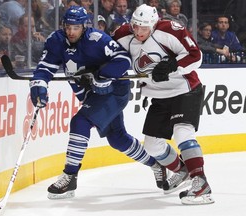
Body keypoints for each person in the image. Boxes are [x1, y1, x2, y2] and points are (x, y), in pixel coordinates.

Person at [29, 5, 166, 199]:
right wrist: (39, 85)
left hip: (113, 91)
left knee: (80, 122)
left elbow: (123, 59)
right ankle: (156, 165)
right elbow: (45, 67)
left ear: (84, 27)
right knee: (117, 138)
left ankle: (70, 176)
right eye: (68, 27)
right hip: (90, 95)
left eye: (75, 27)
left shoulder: (97, 39)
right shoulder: (56, 41)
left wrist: (100, 75)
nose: (71, 31)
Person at [113, 4, 214, 205]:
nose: (139, 32)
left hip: (184, 89)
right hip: (158, 95)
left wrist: (172, 66)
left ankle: (201, 184)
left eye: (144, 28)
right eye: (136, 26)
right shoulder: (123, 34)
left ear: (153, 24)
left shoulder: (169, 30)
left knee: (182, 133)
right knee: (151, 145)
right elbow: (106, 54)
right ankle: (183, 170)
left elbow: (196, 55)